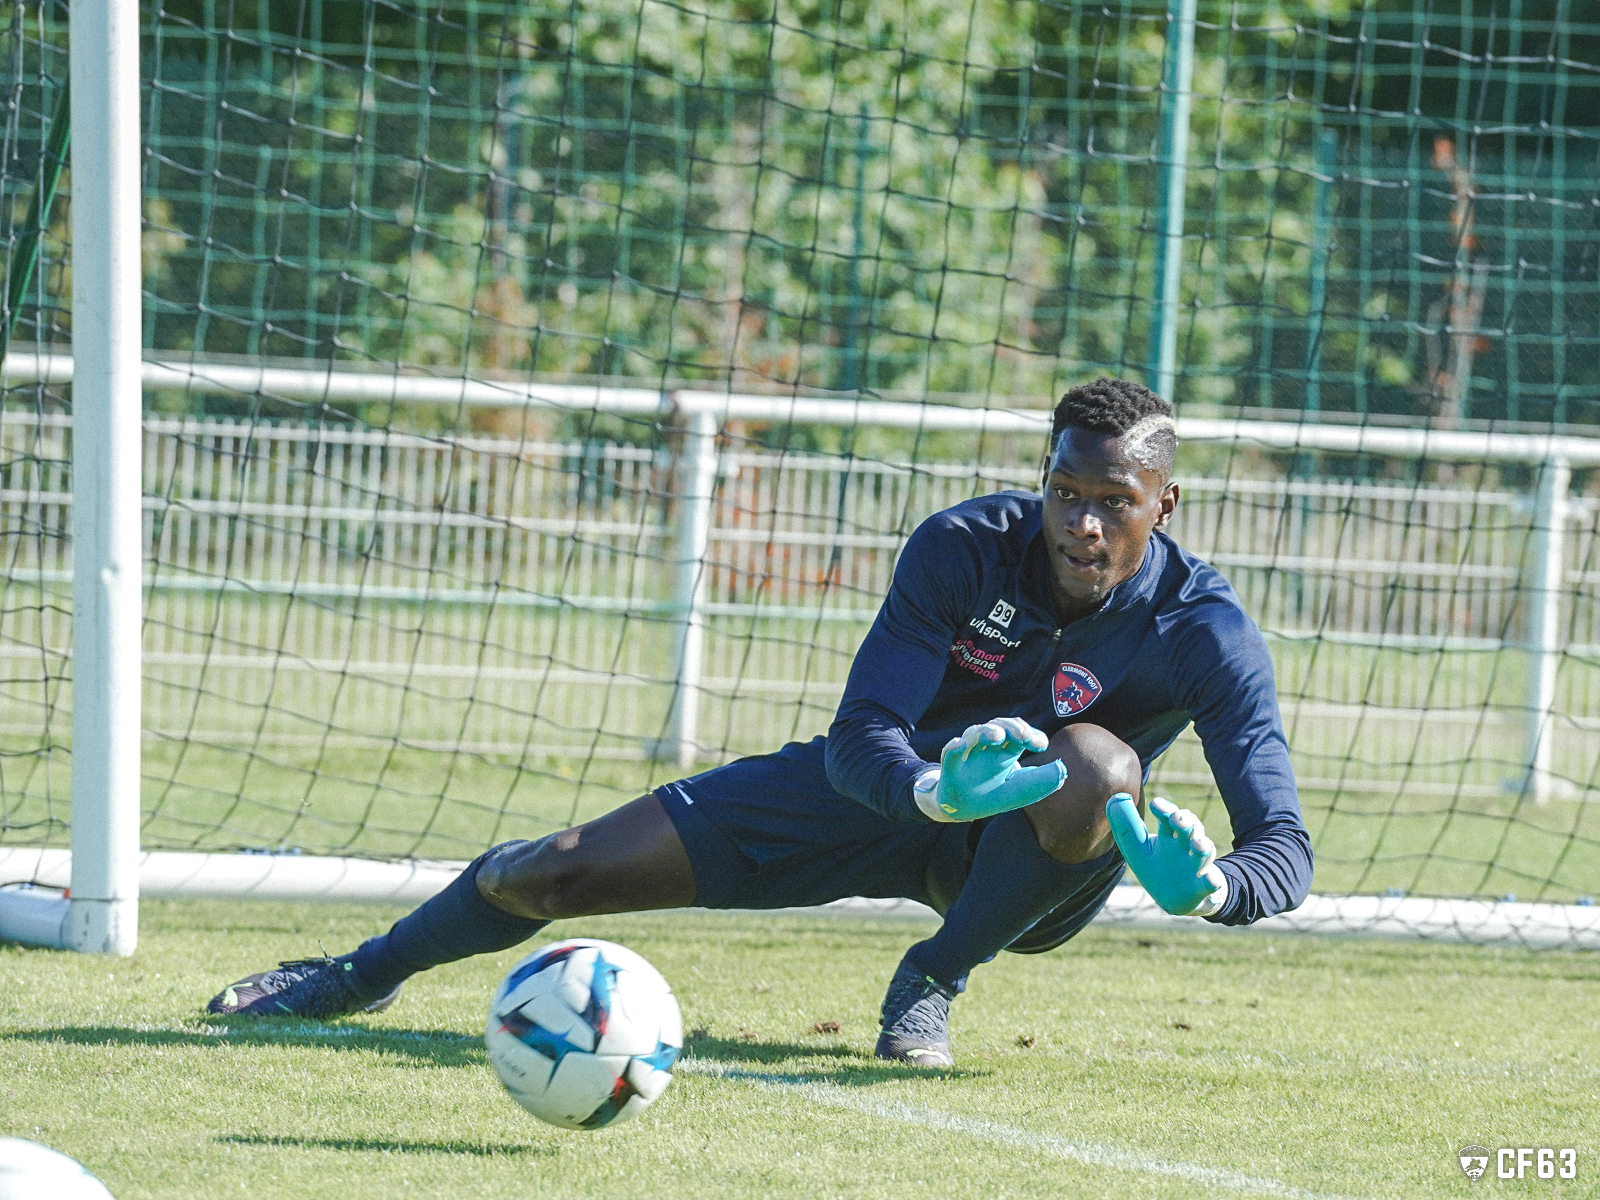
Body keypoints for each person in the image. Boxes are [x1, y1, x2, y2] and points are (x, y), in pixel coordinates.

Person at [208, 376, 1313, 1066]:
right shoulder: (962, 546)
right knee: (551, 869)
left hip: (1020, 867)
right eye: (1064, 491)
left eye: (1112, 502)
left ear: (1161, 505)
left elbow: (1285, 846)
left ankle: (931, 980)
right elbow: (860, 732)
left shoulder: (1202, 630)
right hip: (885, 796)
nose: (1080, 521)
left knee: (1095, 765)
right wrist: (932, 787)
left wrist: (1212, 891)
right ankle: (353, 976)